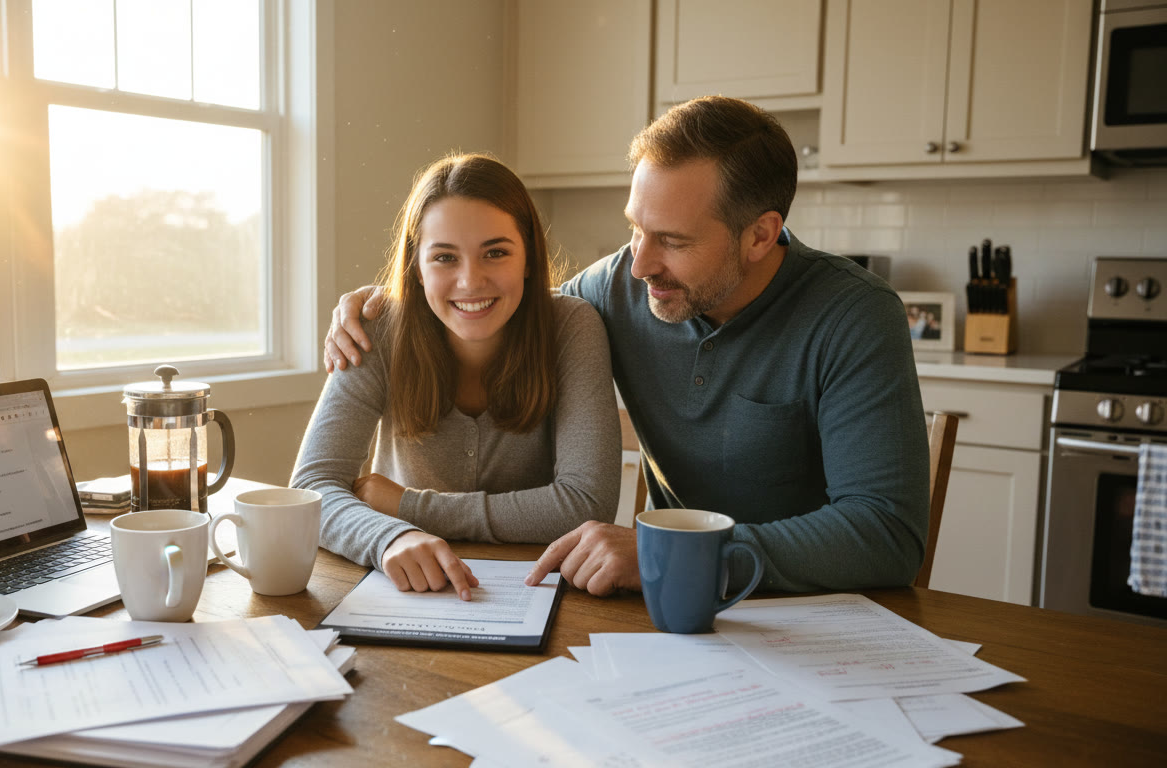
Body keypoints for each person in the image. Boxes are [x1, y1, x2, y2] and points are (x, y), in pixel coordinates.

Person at [324, 97, 930, 597]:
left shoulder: (855, 316)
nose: (639, 264)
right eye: (635, 228)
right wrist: (388, 304)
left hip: (814, 610)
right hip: (664, 602)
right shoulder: (615, 288)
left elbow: (885, 535)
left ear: (760, 235)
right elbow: (501, 303)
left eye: (672, 240)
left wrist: (685, 555)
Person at [290, 152, 619, 601]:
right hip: (404, 589)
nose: (470, 281)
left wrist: (407, 507)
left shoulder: (571, 327)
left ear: (528, 258)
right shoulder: (377, 328)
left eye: (496, 252)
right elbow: (310, 488)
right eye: (444, 257)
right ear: (417, 267)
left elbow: (585, 505)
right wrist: (391, 537)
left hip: (537, 592)